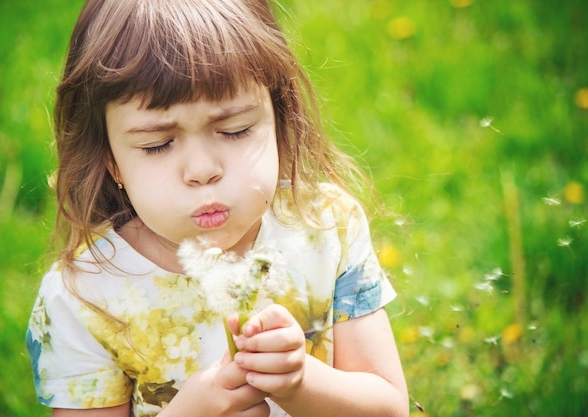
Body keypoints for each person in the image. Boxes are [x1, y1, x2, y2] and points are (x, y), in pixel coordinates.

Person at [25, 0, 409, 416]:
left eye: (234, 130)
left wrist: (301, 383)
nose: (203, 171)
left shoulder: (326, 228)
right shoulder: (85, 297)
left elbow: (389, 408)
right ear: (111, 160)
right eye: (158, 144)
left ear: (279, 120)